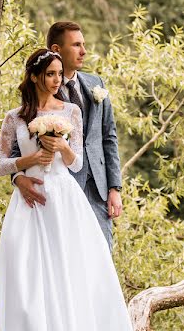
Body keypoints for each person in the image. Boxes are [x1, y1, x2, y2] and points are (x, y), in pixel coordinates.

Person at [0, 48, 148, 331]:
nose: (57, 80)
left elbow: (77, 161)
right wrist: (27, 163)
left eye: (59, 73)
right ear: (34, 77)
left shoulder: (72, 112)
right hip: (30, 202)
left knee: (71, 278)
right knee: (28, 276)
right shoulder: (15, 117)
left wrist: (60, 145)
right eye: (49, 74)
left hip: (64, 200)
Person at [10, 21, 122, 250]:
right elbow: (17, 146)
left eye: (84, 44)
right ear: (57, 49)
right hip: (61, 189)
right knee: (68, 257)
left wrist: (114, 188)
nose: (84, 51)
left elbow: (108, 137)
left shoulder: (96, 83)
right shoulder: (43, 90)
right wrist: (18, 179)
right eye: (77, 45)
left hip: (98, 190)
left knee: (101, 255)